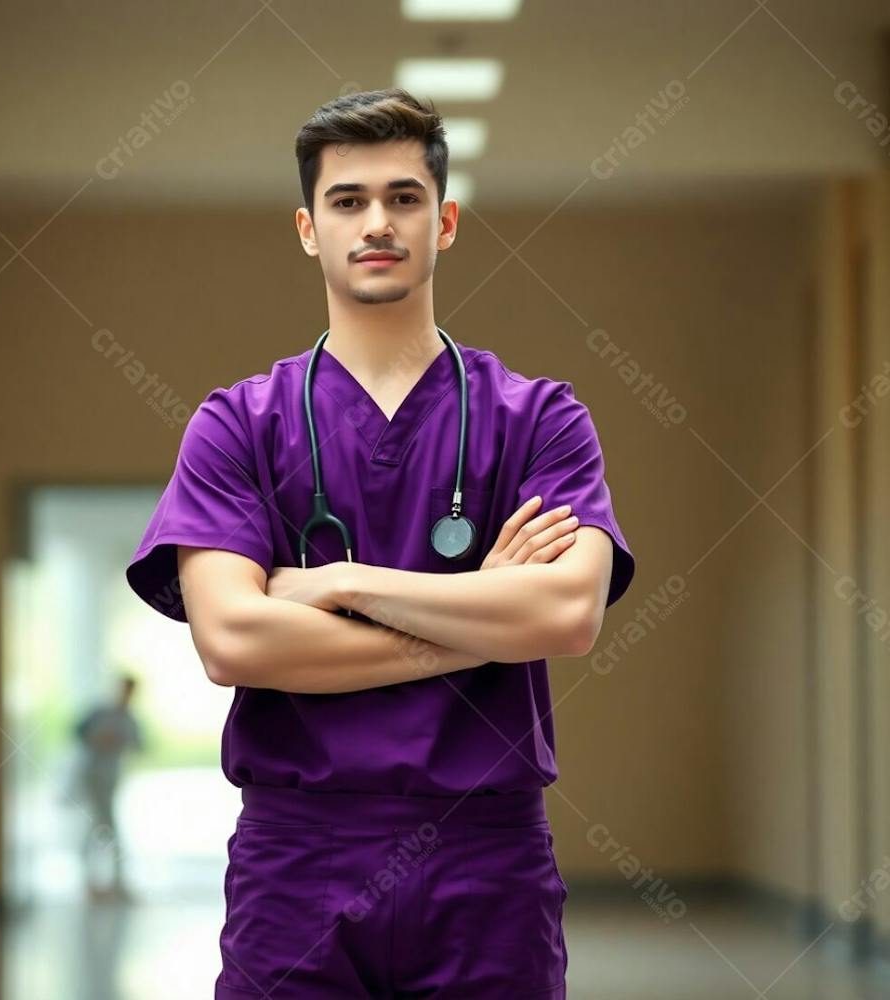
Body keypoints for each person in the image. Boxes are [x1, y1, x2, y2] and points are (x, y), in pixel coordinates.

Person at [125, 88, 637, 999]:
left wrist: (337, 581)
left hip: (488, 858)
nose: (377, 223)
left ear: (443, 224)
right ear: (307, 228)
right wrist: (481, 619)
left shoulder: (541, 419)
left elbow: (563, 612)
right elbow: (235, 641)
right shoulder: (237, 423)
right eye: (348, 201)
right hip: (298, 861)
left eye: (404, 199)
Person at [72, 673, 144, 902]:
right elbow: (78, 732)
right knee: (104, 826)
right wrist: (100, 739)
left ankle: (109, 882)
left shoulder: (129, 720)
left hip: (110, 779)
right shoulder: (100, 713)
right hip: (93, 777)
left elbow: (139, 745)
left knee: (99, 826)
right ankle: (103, 883)